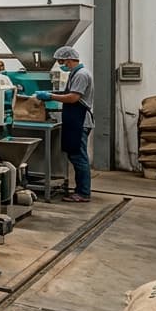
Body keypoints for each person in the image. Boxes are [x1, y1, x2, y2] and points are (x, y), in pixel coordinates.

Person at [34, 46, 93, 202]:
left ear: (68, 59)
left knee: (79, 158)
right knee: (76, 156)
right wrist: (53, 94)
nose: (61, 64)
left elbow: (73, 98)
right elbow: (68, 94)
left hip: (80, 121)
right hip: (75, 120)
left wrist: (51, 96)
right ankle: (81, 190)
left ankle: (83, 193)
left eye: (61, 61)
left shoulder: (81, 75)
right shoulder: (75, 74)